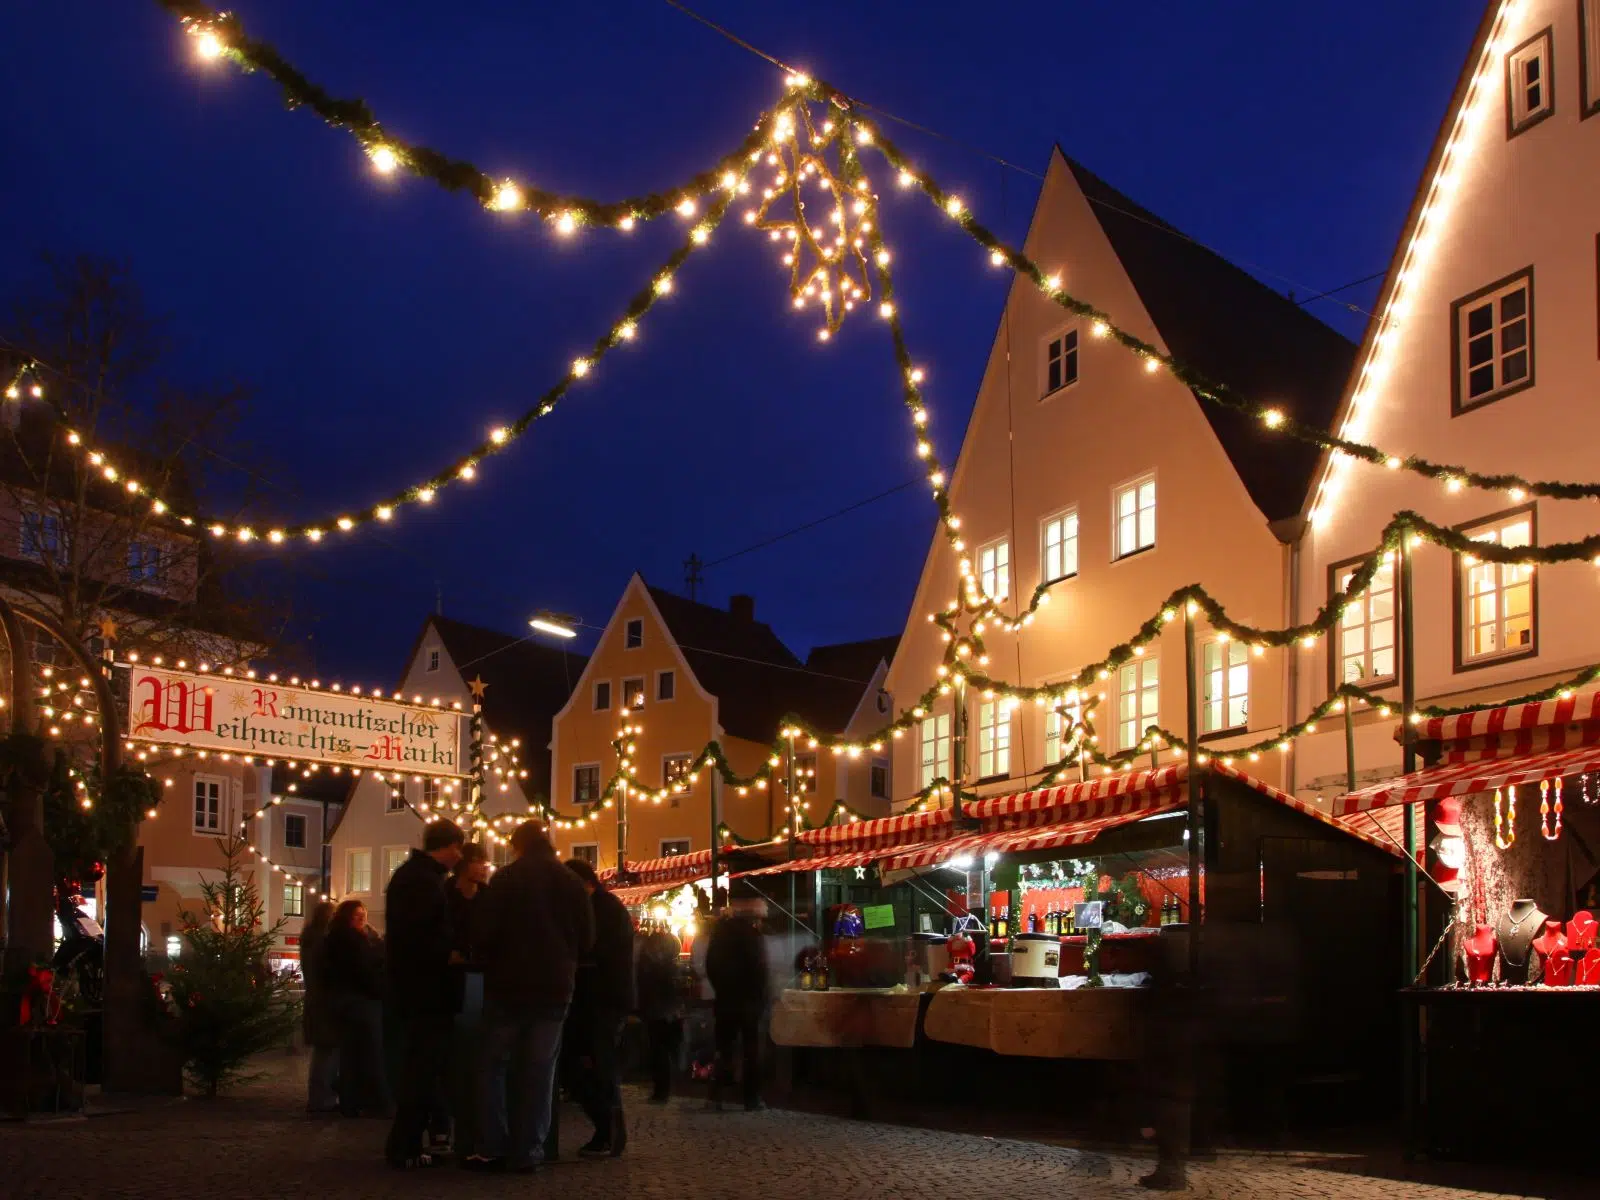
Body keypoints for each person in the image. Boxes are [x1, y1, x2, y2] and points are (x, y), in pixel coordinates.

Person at [468, 822, 593, 1173]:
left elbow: (483, 933)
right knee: (540, 1072)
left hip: (507, 988)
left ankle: (493, 1145)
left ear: (517, 846)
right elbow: (587, 939)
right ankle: (529, 1151)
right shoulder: (570, 882)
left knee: (493, 1067)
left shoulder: (506, 880)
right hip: (554, 989)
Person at [382, 819, 465, 1171]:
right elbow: (420, 936)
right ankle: (406, 1146)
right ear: (446, 847)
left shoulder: (414, 876)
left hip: (415, 989)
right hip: (426, 990)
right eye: (458, 848)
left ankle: (409, 1142)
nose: (459, 856)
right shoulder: (423, 881)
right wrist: (450, 952)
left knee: (421, 1068)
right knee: (422, 1069)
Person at [564, 857, 635, 1158]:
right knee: (585, 1064)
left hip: (601, 1000)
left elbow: (597, 950)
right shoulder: (603, 907)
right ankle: (607, 1129)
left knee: (597, 1065)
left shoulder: (603, 909)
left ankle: (609, 1131)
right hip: (598, 999)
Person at [441, 841, 492, 1158]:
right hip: (449, 981)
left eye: (485, 862)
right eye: (479, 861)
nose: (484, 867)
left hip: (479, 977)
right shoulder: (446, 895)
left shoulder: (487, 897)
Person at [322, 899, 390, 1119]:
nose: (362, 919)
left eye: (363, 914)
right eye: (357, 915)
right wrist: (379, 989)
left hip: (346, 1001)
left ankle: (351, 1101)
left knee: (351, 1054)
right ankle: (375, 1102)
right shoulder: (351, 941)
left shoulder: (337, 939)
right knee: (370, 1053)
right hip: (360, 1001)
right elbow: (363, 972)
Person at [703, 898, 771, 1112]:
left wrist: (721, 988)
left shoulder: (719, 934)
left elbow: (710, 965)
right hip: (749, 1001)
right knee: (752, 1050)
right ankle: (751, 1098)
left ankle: (716, 1095)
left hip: (725, 999)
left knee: (724, 1048)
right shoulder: (752, 936)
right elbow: (759, 970)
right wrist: (761, 996)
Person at [636, 921, 686, 1103]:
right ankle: (666, 1088)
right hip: (668, 1011)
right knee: (666, 1050)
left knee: (659, 1050)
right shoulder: (671, 967)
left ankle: (662, 1090)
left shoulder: (653, 967)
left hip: (659, 1011)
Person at [299, 899, 340, 1114]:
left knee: (324, 1052)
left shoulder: (310, 939)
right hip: (324, 1002)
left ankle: (320, 1097)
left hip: (316, 1000)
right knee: (327, 1052)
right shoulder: (321, 942)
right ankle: (321, 1099)